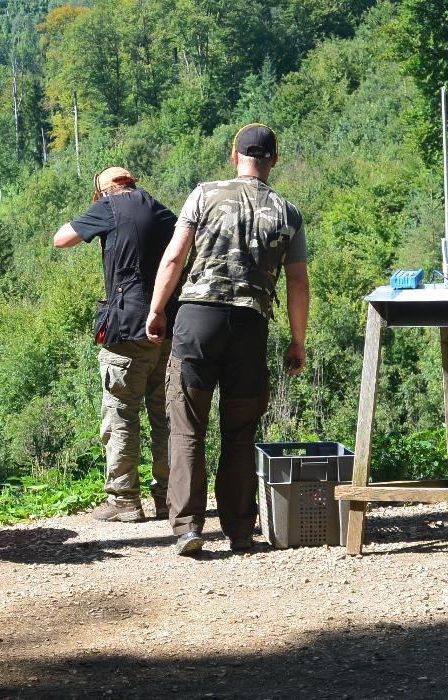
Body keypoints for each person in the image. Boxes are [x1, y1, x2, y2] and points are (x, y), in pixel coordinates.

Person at [146, 124, 309, 555]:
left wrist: (158, 309)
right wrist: (297, 341)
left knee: (186, 428)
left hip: (199, 321)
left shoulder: (204, 194)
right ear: (274, 160)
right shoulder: (288, 212)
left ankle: (188, 528)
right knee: (239, 432)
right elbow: (297, 283)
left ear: (234, 156)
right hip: (250, 329)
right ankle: (239, 530)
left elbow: (175, 256)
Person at [53, 166, 179, 522]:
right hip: (167, 324)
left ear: (103, 192)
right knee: (164, 415)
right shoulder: (158, 208)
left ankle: (124, 500)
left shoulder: (108, 206)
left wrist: (91, 215)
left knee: (121, 412)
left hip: (127, 328)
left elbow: (61, 239)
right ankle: (170, 497)